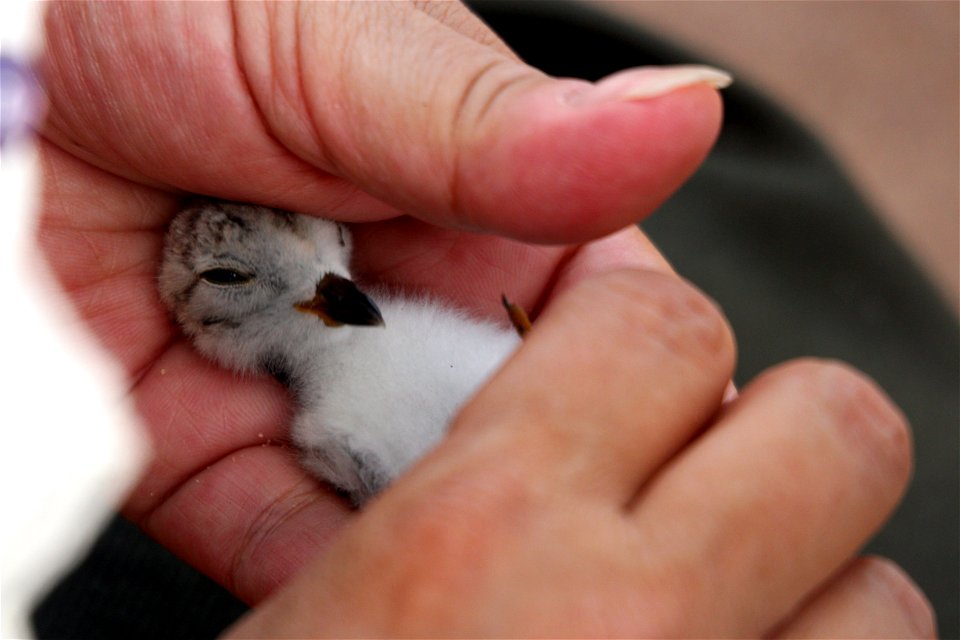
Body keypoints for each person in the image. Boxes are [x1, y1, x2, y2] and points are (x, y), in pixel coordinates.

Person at [35, 2, 934, 637]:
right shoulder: (332, 429)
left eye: (317, 243)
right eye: (237, 281)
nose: (318, 281)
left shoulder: (349, 392)